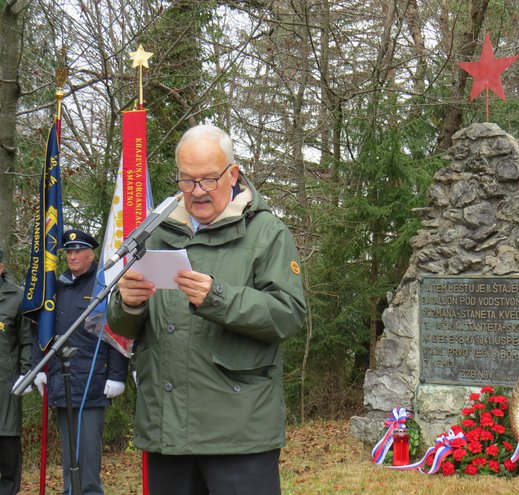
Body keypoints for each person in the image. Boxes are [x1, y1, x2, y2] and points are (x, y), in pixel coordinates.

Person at [107, 124, 307, 495]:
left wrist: (218, 298)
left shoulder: (266, 232)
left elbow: (289, 314)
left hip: (238, 433)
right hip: (165, 427)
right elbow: (125, 325)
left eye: (208, 180)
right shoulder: (154, 232)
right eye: (187, 181)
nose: (197, 192)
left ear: (232, 174)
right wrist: (128, 304)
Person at [33, 230, 128, 495]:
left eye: (78, 251)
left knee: (86, 457)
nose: (73, 256)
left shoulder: (103, 283)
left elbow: (117, 329)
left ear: (92, 254)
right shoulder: (58, 286)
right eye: (69, 251)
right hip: (61, 381)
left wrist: (118, 374)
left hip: (92, 381)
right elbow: (42, 329)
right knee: (70, 456)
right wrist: (40, 367)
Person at [0, 249, 34, 495]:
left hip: (5, 386)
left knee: (7, 447)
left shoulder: (16, 297)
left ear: (1, 267)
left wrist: (26, 373)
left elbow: (26, 341)